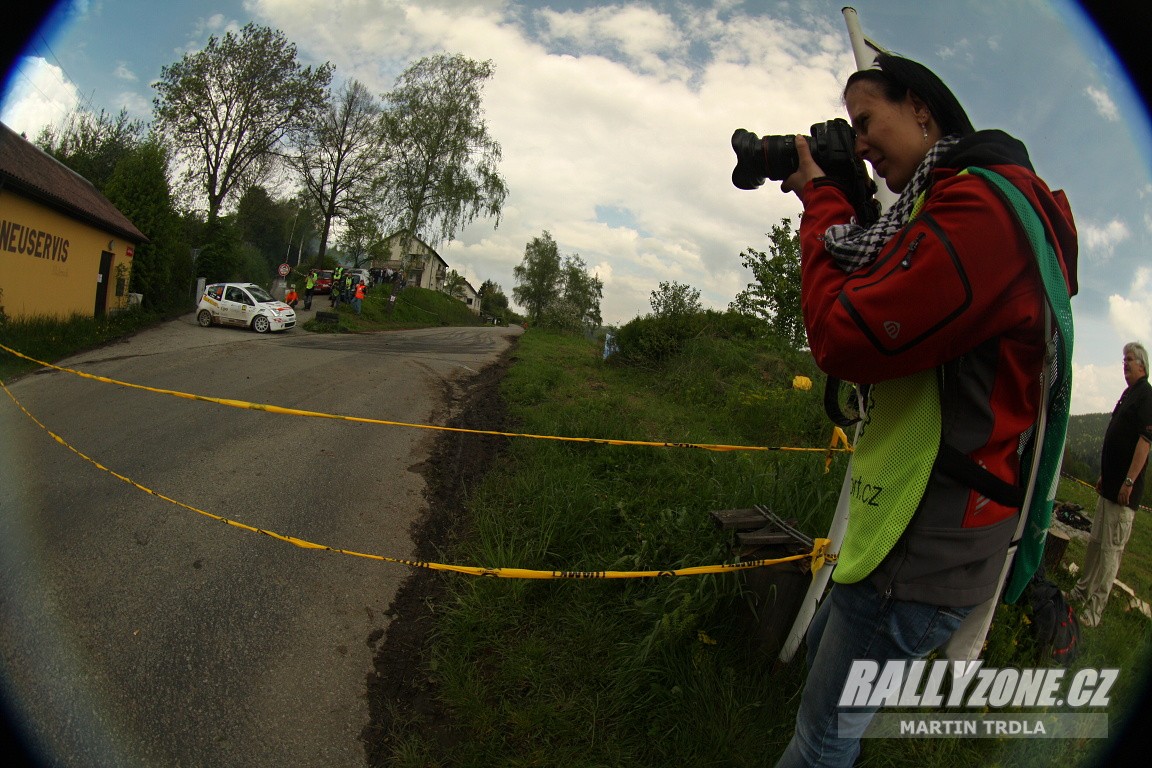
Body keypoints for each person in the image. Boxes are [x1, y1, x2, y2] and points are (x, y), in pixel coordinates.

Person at [773, 53, 1077, 767]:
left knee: (824, 738)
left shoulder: (981, 212)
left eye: (865, 122)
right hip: (926, 524)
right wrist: (844, 192)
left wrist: (823, 202)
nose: (863, 143)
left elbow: (845, 335)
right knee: (828, 677)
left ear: (921, 108)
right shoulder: (955, 205)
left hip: (923, 545)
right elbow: (893, 273)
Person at [1066, 342, 1152, 627]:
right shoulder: (1129, 394)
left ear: (1142, 364)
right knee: (1095, 545)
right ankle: (1081, 593)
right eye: (1123, 359)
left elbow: (1144, 443)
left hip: (1123, 495)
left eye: (1129, 360)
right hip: (1110, 488)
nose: (1124, 364)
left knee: (1110, 553)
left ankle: (1093, 612)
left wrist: (1129, 481)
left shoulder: (1147, 396)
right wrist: (1106, 474)